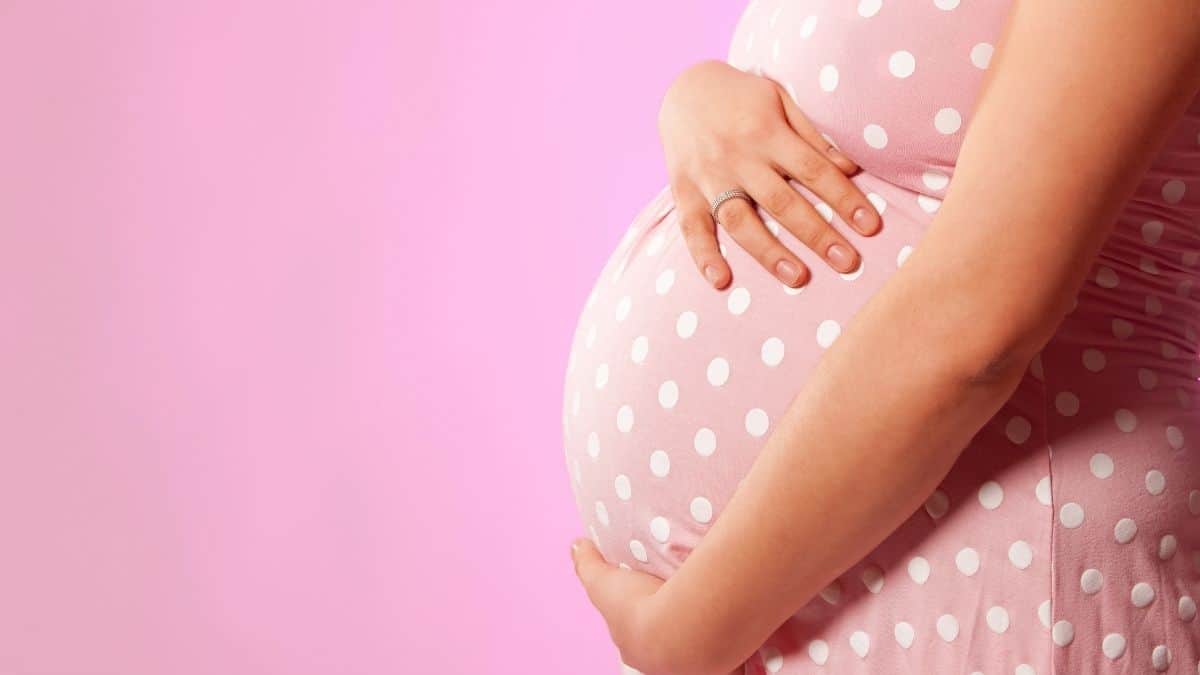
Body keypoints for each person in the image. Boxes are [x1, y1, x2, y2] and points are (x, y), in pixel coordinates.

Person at [561, 1, 1200, 673]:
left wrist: (684, 635)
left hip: (1004, 569)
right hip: (818, 584)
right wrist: (694, 99)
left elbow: (980, 320)